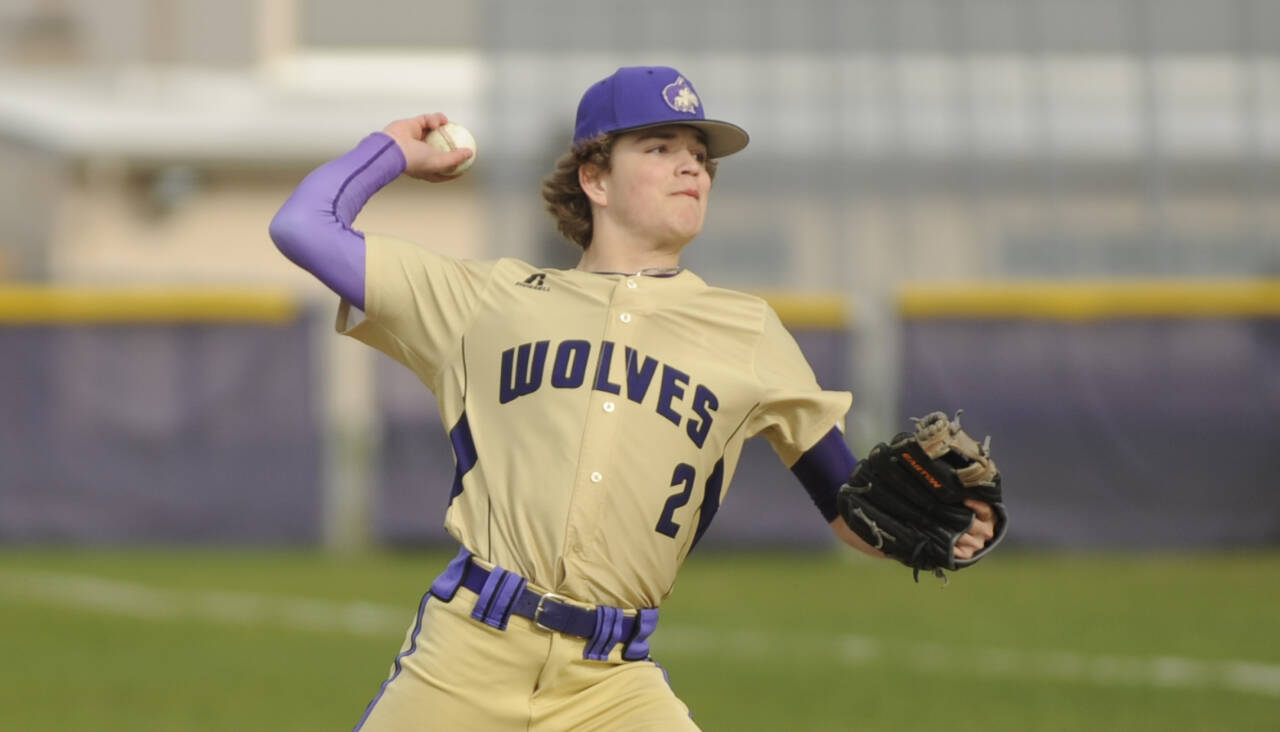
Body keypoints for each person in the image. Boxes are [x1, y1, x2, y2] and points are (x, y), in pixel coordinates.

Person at [269, 65, 997, 731]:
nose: (692, 166)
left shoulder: (749, 332)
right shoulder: (486, 300)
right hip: (464, 658)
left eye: (700, 156)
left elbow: (851, 507)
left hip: (611, 687)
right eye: (659, 147)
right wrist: (392, 151)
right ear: (594, 177)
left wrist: (952, 528)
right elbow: (303, 226)